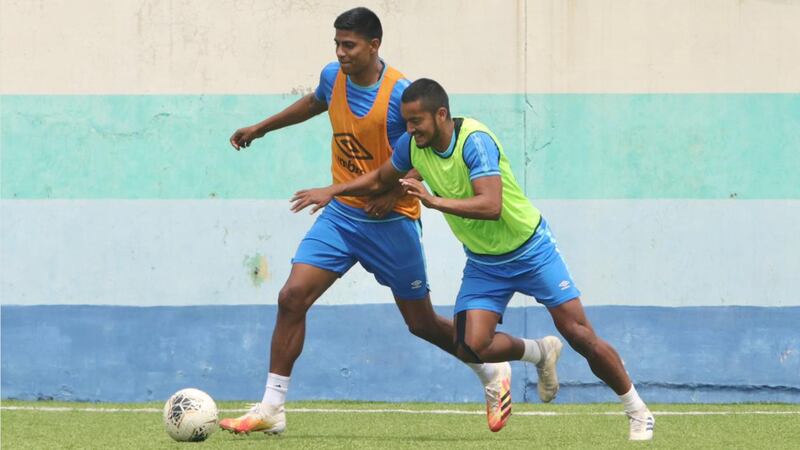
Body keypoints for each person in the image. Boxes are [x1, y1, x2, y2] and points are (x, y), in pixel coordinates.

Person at [220, 8, 554, 435]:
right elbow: (314, 102)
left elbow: (425, 153)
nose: (340, 53)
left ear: (374, 45)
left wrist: (396, 193)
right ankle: (272, 406)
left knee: (421, 323)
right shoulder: (332, 77)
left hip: (391, 221)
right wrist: (262, 128)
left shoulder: (402, 95)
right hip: (341, 217)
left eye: (349, 45)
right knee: (292, 297)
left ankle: (501, 367)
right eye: (337, 44)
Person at [291, 78, 655, 441]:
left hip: (531, 251)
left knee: (579, 335)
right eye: (406, 121)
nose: (409, 129)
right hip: (484, 263)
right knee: (471, 345)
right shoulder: (412, 147)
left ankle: (637, 410)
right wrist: (332, 191)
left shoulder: (474, 141)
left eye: (416, 121)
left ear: (441, 114)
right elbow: (380, 179)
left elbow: (491, 205)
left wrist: (433, 202)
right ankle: (540, 352)